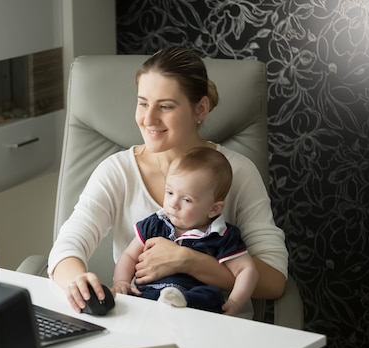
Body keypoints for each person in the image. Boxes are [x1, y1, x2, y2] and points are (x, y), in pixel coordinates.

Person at [48, 46, 287, 319]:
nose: (148, 119)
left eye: (165, 106)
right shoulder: (117, 172)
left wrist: (190, 261)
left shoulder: (238, 172)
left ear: (200, 108)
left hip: (218, 328)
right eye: (143, 103)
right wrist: (77, 281)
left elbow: (275, 280)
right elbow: (67, 247)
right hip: (140, 325)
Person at [112, 147, 258, 316]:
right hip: (150, 297)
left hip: (194, 308)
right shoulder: (155, 223)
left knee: (211, 296)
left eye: (187, 199)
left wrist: (235, 302)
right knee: (131, 299)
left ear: (214, 209)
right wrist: (121, 281)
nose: (173, 203)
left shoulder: (221, 235)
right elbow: (129, 256)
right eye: (170, 192)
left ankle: (178, 299)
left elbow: (247, 271)